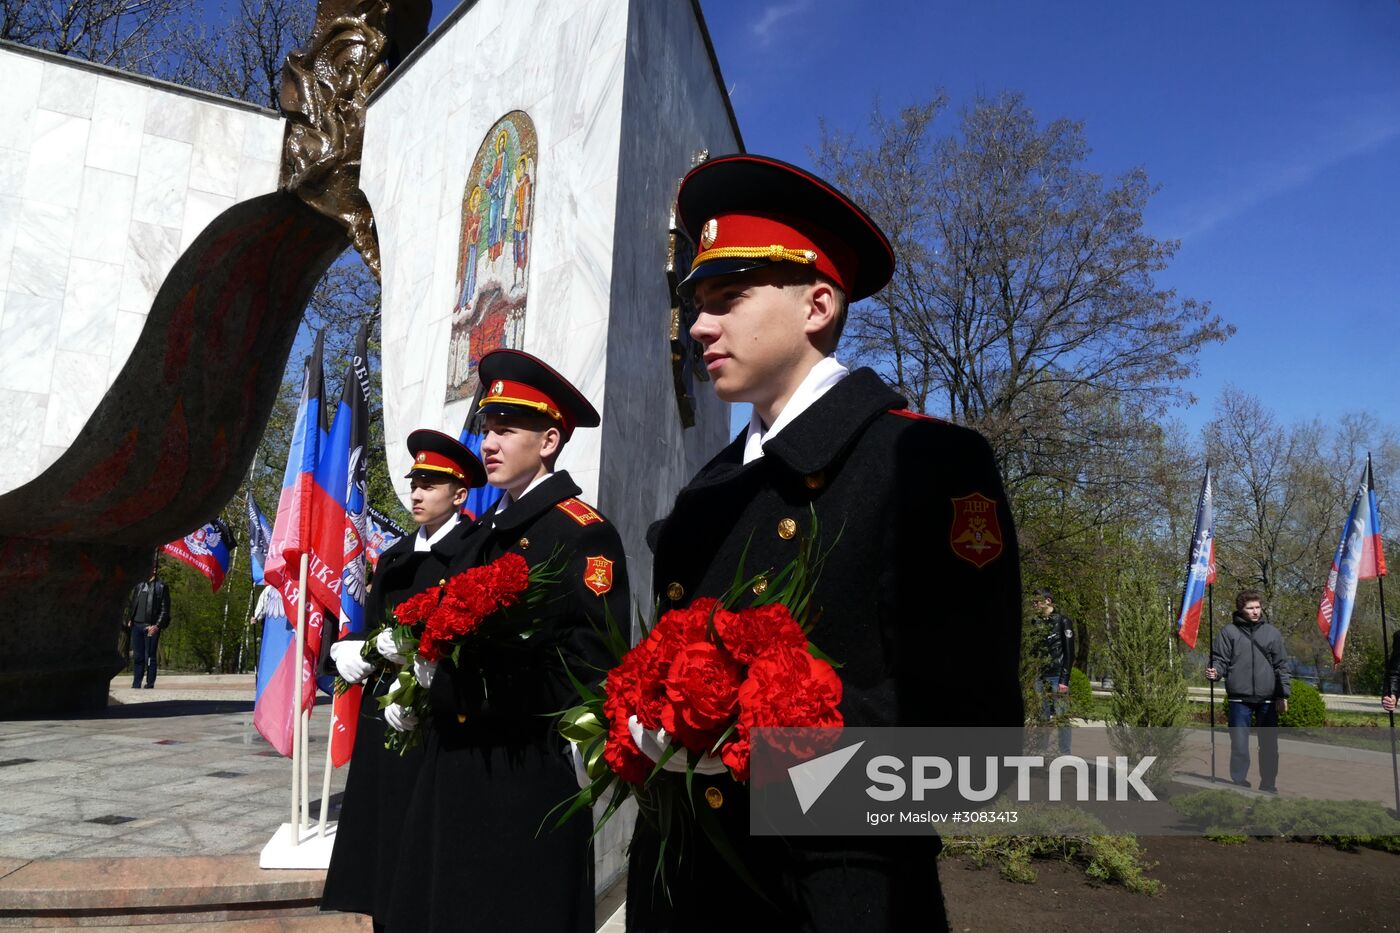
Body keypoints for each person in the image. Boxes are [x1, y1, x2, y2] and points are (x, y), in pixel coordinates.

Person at [623, 154, 1024, 932]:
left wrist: (756, 764)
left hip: (825, 901)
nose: (700, 324)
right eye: (697, 302)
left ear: (817, 303)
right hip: (681, 891)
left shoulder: (927, 466)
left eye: (728, 297)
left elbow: (977, 762)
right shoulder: (708, 488)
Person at [385, 350, 630, 933]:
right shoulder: (482, 535)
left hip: (522, 776)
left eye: (506, 429)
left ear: (549, 441)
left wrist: (456, 685)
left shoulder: (580, 535)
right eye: (487, 427)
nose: (488, 442)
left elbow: (592, 666)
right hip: (455, 770)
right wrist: (414, 684)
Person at [320, 430, 486, 928]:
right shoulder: (393, 557)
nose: (416, 493)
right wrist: (349, 648)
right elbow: (372, 628)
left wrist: (425, 680)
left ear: (459, 494)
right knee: (383, 837)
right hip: (384, 716)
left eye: (430, 484)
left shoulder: (475, 551)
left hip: (435, 721)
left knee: (426, 847)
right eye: (414, 482)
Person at [1205, 589, 1291, 793]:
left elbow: (1281, 666)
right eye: (1250, 608)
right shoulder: (1228, 632)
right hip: (1239, 700)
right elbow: (1220, 660)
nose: (1255, 611)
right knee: (1240, 744)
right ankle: (1239, 781)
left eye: (1257, 607)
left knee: (1269, 746)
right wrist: (1215, 672)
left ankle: (1268, 783)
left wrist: (1283, 695)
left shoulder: (1272, 633)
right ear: (1240, 610)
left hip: (1268, 700)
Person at [1030, 588, 1075, 755]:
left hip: (1057, 676)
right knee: (1042, 716)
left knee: (1062, 717)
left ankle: (1065, 753)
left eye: (1037, 600)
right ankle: (1040, 752)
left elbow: (1070, 653)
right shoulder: (1035, 622)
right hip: (1039, 677)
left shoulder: (1063, 621)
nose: (1034, 604)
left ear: (1047, 601)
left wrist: (1064, 680)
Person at [125, 561, 171, 689]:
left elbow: (165, 610)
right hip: (136, 626)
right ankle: (136, 684)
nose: (153, 570)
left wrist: (157, 626)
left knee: (150, 657)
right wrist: (131, 618)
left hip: (150, 627)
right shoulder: (139, 585)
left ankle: (149, 683)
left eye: (155, 568)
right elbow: (134, 603)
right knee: (138, 656)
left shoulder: (161, 587)